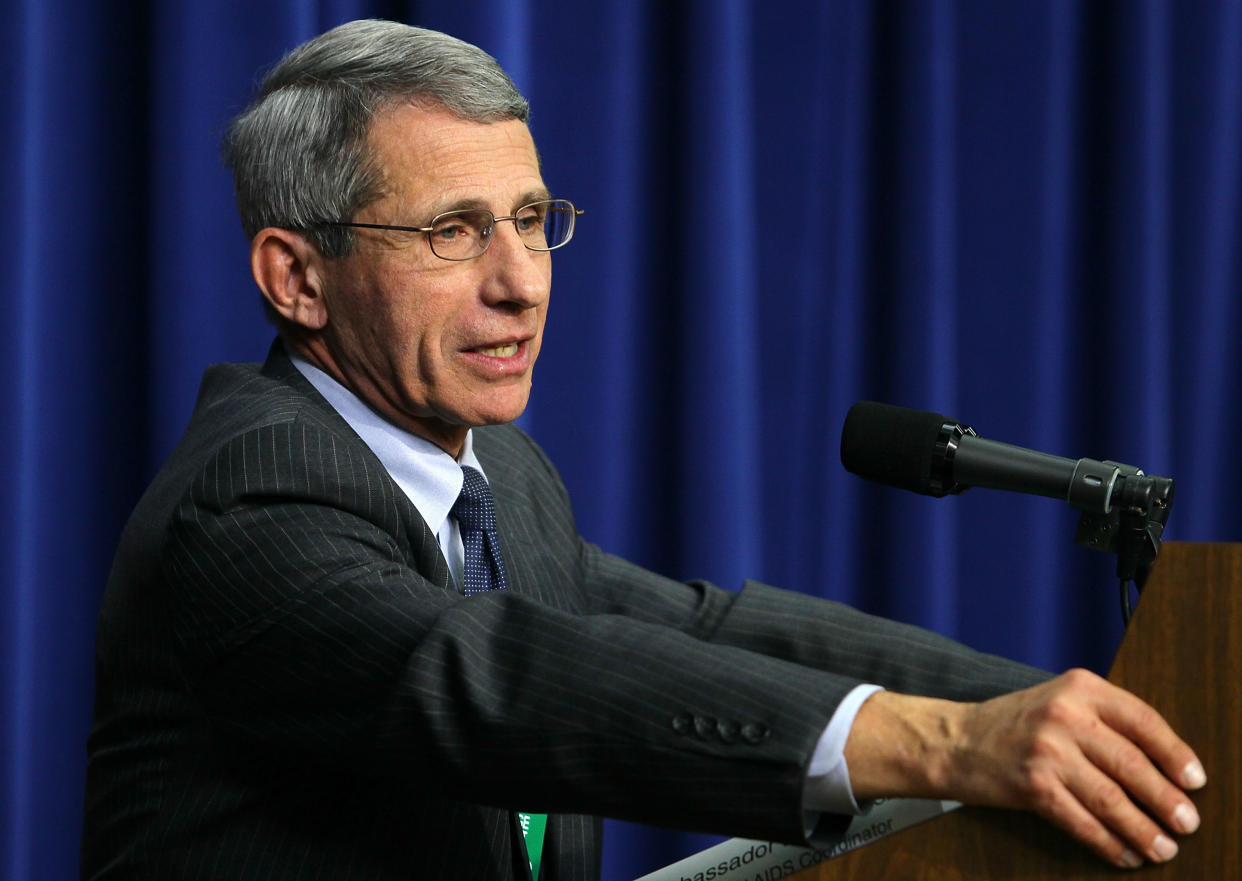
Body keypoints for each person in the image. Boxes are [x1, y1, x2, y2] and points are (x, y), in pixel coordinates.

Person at [81, 19, 1204, 881]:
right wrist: (949, 744)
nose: (520, 281)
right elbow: (490, 677)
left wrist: (1089, 718)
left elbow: (699, 628)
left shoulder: (497, 476)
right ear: (298, 277)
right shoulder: (249, 487)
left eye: (530, 219)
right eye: (452, 231)